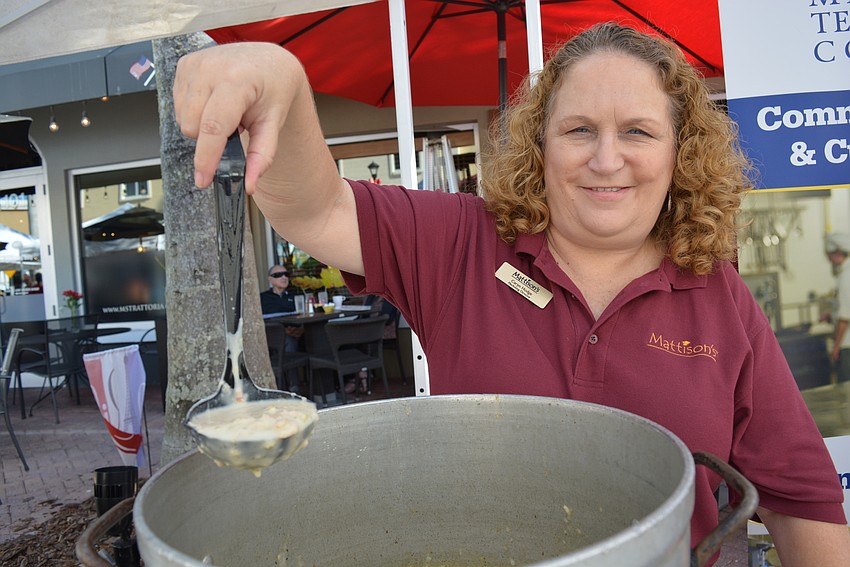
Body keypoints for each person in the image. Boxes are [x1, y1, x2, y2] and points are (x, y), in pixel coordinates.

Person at [174, 22, 850, 566]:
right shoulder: (461, 243)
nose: (606, 158)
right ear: (541, 144)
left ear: (680, 153)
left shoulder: (717, 291)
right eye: (578, 129)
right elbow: (315, 211)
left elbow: (802, 494)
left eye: (638, 131)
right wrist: (283, 83)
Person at [260, 265, 304, 352]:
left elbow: (303, 314)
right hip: (273, 334)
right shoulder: (262, 298)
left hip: (297, 331)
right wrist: (283, 331)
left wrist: (302, 329)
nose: (284, 277)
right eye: (278, 275)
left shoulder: (295, 297)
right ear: (270, 279)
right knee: (289, 341)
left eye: (286, 274)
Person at [826, 232, 850, 383]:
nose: (829, 260)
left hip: (847, 345)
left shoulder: (846, 277)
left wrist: (835, 348)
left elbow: (844, 317)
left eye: (829, 256)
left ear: (837, 253)